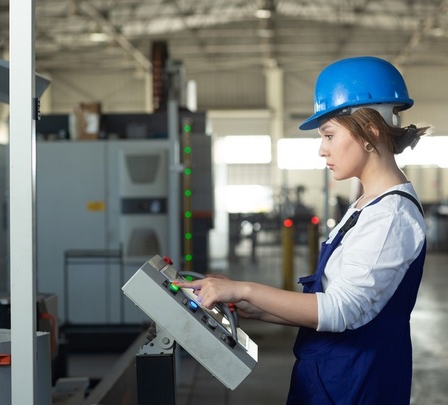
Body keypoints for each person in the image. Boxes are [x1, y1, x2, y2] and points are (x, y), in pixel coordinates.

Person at [174, 56, 431, 404]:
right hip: (331, 377)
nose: (322, 148)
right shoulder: (366, 205)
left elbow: (341, 310)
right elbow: (327, 300)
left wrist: (246, 288)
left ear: (370, 132)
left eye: (328, 134)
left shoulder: (391, 216)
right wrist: (251, 303)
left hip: (356, 386)